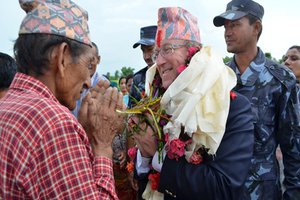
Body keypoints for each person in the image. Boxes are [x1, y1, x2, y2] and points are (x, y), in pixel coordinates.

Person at [0, 0, 122, 199]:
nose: (88, 82)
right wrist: (102, 146)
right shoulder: (54, 125)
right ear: (62, 57)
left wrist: (81, 133)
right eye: (88, 65)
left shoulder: (8, 105)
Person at [129, 7, 254, 200]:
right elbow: (145, 177)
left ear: (193, 53)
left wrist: (157, 154)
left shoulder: (232, 107)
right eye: (156, 54)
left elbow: (224, 188)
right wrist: (144, 155)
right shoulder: (158, 104)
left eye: (167, 49)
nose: (159, 62)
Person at [213, 0, 300, 199]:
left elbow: (292, 145)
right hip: (221, 187)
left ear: (256, 28)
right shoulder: (218, 77)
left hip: (262, 192)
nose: (227, 32)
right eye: (226, 26)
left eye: (235, 25)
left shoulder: (281, 79)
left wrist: (294, 194)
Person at [71, 41, 107, 118]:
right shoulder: (70, 82)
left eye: (92, 59)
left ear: (98, 59)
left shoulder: (104, 85)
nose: (89, 63)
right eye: (85, 58)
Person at [128, 25, 157, 108]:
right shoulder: (138, 79)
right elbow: (130, 110)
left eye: (150, 49)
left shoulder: (170, 75)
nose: (146, 56)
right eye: (143, 51)